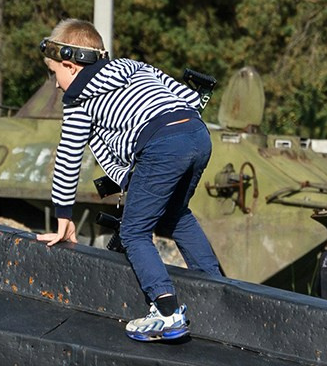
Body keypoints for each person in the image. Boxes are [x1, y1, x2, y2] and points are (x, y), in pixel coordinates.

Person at [37, 20, 223, 341]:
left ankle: (166, 312)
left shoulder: (79, 98)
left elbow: (68, 157)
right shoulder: (133, 66)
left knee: (134, 231)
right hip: (196, 135)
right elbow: (189, 98)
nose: (55, 85)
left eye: (54, 74)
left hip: (161, 144)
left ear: (70, 65)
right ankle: (218, 289)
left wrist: (64, 216)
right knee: (174, 214)